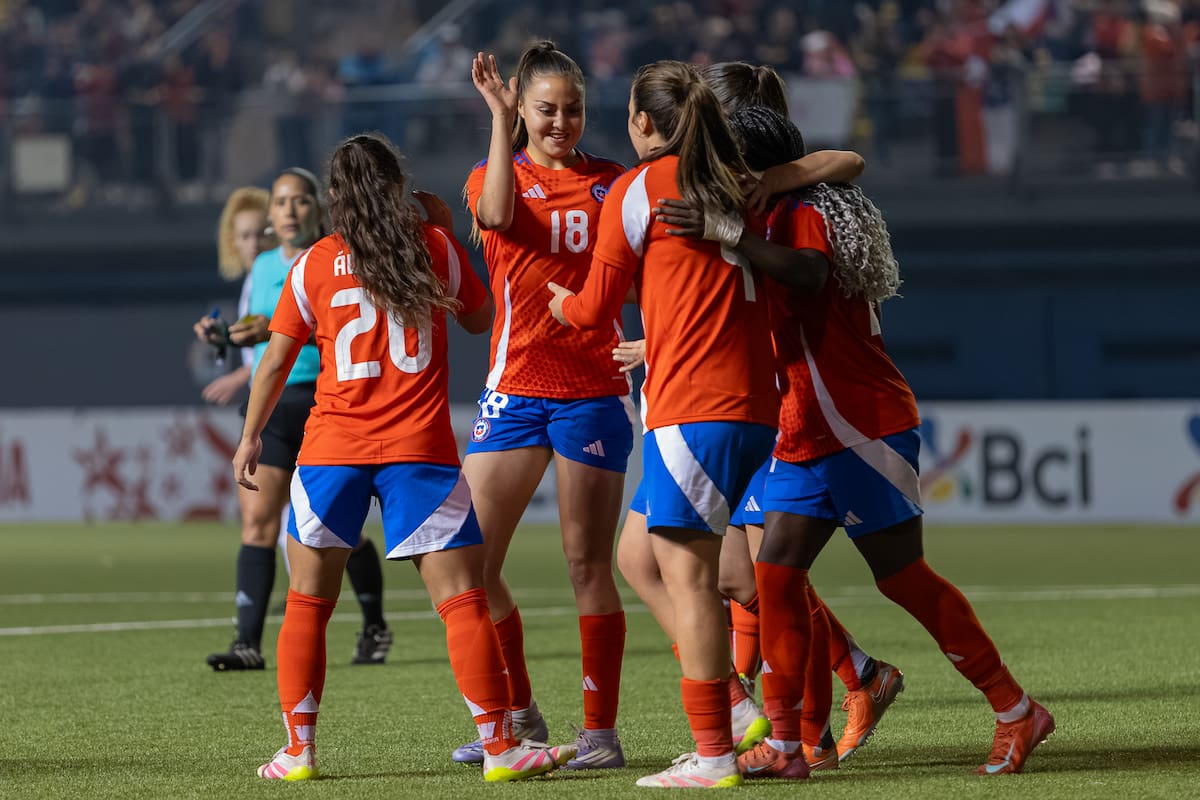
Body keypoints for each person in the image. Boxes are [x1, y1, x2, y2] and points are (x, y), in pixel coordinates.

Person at [659, 106, 1055, 779]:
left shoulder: (802, 212)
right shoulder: (771, 212)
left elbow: (809, 275)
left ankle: (1016, 711)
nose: (718, 171)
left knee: (904, 580)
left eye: (727, 159)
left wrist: (727, 229)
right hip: (803, 430)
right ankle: (787, 744)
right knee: (775, 580)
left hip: (859, 425)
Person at [235, 132, 573, 783]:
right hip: (419, 451)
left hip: (331, 448)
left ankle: (299, 752)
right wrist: (439, 227)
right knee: (462, 601)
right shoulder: (436, 249)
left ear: (334, 198)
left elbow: (276, 358)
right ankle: (500, 747)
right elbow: (480, 321)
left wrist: (251, 437)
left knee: (307, 602)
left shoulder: (312, 263)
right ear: (398, 189)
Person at [615, 61, 901, 771]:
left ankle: (785, 722)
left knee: (747, 577)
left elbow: (846, 162)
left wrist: (777, 180)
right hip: (704, 392)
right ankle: (793, 708)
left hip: (736, 401)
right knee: (669, 563)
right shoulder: (707, 184)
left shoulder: (761, 186)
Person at [548, 60, 784, 789]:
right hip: (752, 405)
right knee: (662, 562)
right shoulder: (731, 181)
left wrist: (554, 303)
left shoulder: (641, 187)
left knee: (691, 580)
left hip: (693, 409)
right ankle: (747, 721)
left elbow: (590, 311)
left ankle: (716, 750)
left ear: (643, 122)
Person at [450, 42, 634, 770]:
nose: (561, 122)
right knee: (469, 559)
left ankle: (600, 736)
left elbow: (663, 271)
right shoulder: (493, 174)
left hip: (591, 391)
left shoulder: (613, 183)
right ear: (522, 108)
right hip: (516, 389)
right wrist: (499, 120)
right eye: (546, 109)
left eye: (572, 109)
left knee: (586, 562)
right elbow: (495, 215)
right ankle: (519, 715)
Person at [196, 167, 392, 671]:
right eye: (280, 202)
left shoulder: (333, 257)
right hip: (274, 403)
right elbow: (257, 335)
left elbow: (332, 331)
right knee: (257, 523)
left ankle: (374, 625)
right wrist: (222, 336)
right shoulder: (262, 266)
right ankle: (247, 644)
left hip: (323, 399)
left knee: (338, 529)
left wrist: (271, 333)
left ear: (317, 208)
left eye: (299, 201)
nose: (288, 211)